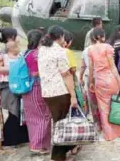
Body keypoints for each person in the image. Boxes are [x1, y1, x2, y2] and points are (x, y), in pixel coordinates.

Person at [38, 25, 78, 161]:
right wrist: (73, 95)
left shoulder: (42, 49)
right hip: (60, 92)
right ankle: (58, 157)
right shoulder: (60, 51)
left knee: (58, 123)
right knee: (61, 125)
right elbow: (67, 75)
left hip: (47, 92)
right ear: (60, 36)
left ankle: (65, 150)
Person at [88, 27, 120, 141]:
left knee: (103, 108)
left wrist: (91, 82)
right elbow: (112, 66)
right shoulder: (108, 48)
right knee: (115, 105)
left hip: (99, 81)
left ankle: (109, 134)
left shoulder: (90, 50)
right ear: (102, 37)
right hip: (111, 80)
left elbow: (91, 69)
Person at [22, 30, 51, 155]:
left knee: (32, 117)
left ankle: (37, 143)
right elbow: (35, 73)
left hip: (27, 89)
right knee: (43, 115)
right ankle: (38, 145)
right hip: (37, 87)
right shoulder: (36, 54)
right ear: (41, 40)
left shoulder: (26, 53)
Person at [0, 41, 29, 147]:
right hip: (8, 87)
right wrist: (14, 69)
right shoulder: (3, 57)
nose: (18, 48)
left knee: (20, 112)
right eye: (16, 46)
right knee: (13, 111)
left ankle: (21, 137)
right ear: (10, 48)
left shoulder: (20, 56)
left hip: (21, 87)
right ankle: (9, 138)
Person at [79, 32, 101, 131]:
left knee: (93, 101)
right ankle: (105, 121)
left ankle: (97, 123)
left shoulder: (86, 50)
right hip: (102, 76)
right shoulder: (104, 48)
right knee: (103, 100)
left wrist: (80, 77)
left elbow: (83, 66)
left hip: (90, 77)